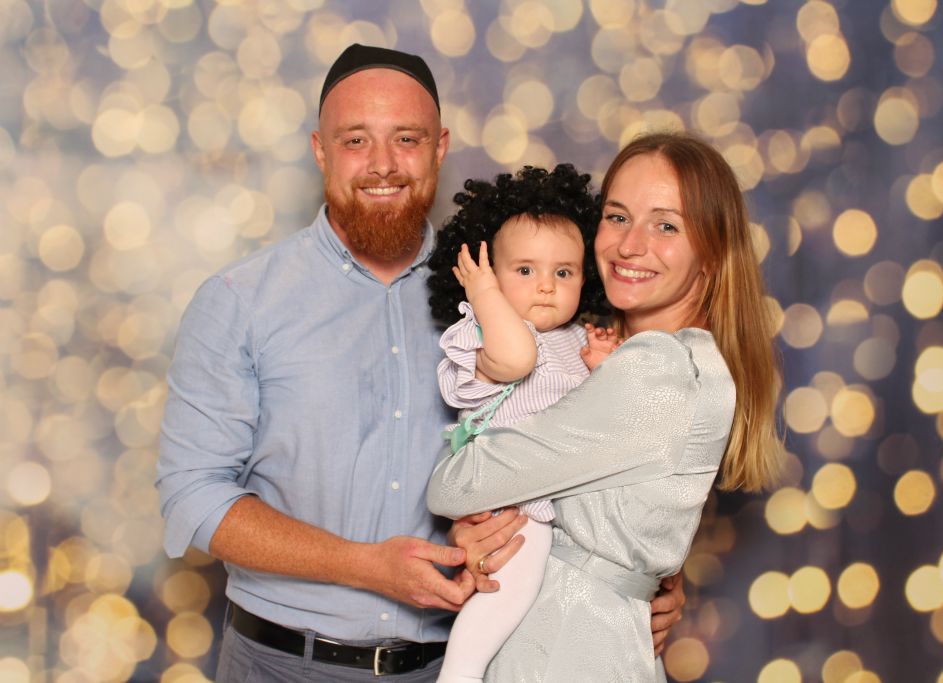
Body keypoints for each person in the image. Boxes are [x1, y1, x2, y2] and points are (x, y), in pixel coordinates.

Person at [157, 43, 683, 682]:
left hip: (465, 661)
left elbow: (599, 446)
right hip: (282, 665)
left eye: (406, 139)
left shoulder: (514, 290)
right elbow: (194, 494)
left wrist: (646, 581)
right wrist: (364, 566)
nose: (383, 164)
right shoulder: (240, 301)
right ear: (321, 150)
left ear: (440, 149)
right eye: (356, 140)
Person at [428, 131, 784, 681]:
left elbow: (454, 485)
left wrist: (478, 506)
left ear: (712, 252)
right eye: (617, 217)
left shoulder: (657, 370)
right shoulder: (611, 353)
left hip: (567, 655)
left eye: (666, 226)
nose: (629, 245)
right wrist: (485, 533)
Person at [425, 164, 618, 682]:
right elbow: (516, 360)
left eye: (564, 272)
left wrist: (602, 369)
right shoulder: (483, 331)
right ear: (488, 273)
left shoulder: (576, 340)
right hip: (510, 502)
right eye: (525, 270)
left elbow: (601, 426)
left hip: (562, 502)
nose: (547, 287)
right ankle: (459, 674)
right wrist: (484, 294)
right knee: (514, 586)